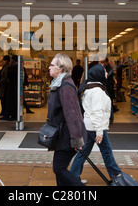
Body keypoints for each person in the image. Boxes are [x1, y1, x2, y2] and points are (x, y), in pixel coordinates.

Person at [71, 64, 122, 182]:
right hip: (96, 127)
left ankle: (73, 178)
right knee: (107, 151)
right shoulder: (97, 91)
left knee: (84, 152)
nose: (106, 74)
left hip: (89, 126)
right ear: (98, 74)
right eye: (104, 71)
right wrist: (99, 131)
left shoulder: (89, 88)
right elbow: (97, 112)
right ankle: (116, 177)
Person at [47, 53, 86, 186]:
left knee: (59, 168)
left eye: (52, 65)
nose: (49, 67)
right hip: (62, 135)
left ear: (61, 69)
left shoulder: (66, 86)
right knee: (59, 169)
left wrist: (77, 139)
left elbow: (73, 114)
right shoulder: (59, 84)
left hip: (68, 136)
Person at [1, 55, 18, 121]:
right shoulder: (17, 67)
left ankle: (11, 115)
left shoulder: (12, 68)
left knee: (11, 101)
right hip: (14, 87)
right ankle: (10, 114)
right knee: (12, 101)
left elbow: (8, 75)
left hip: (12, 87)